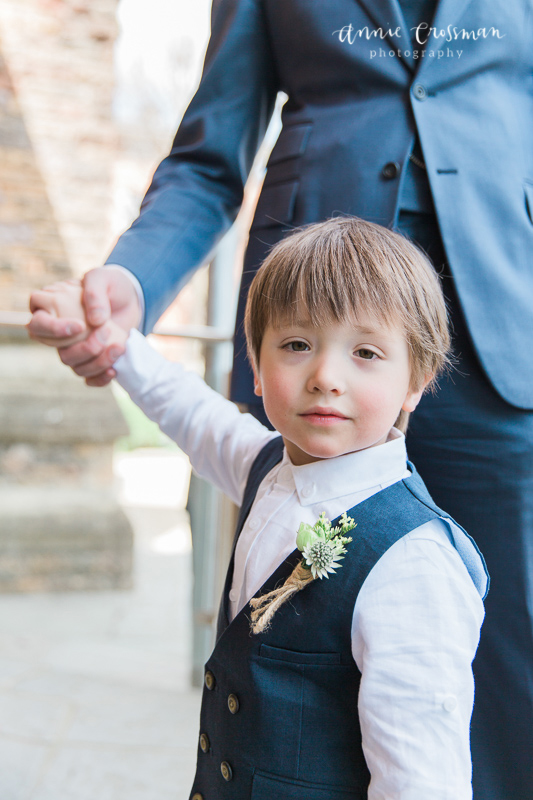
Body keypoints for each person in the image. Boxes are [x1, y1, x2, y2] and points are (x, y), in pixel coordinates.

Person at [27, 3, 533, 797]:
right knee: (288, 644)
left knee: (502, 682)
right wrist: (129, 297)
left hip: (505, 331)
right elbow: (208, 155)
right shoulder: (271, 444)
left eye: (356, 363)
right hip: (300, 284)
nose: (333, 376)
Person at [41, 217, 489, 799]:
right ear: (255, 365)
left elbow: (420, 779)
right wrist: (114, 344)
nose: (326, 377)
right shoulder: (268, 467)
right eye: (297, 345)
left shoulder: (414, 564)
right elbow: (194, 414)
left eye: (366, 352)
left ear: (416, 380)